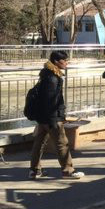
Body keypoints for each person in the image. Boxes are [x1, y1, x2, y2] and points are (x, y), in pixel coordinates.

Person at [29, 51, 85, 179]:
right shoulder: (53, 78)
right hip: (51, 117)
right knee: (62, 143)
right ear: (56, 62)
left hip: (42, 116)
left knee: (39, 143)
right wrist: (56, 118)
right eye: (64, 61)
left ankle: (34, 171)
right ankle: (68, 171)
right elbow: (51, 101)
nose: (66, 63)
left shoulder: (46, 74)